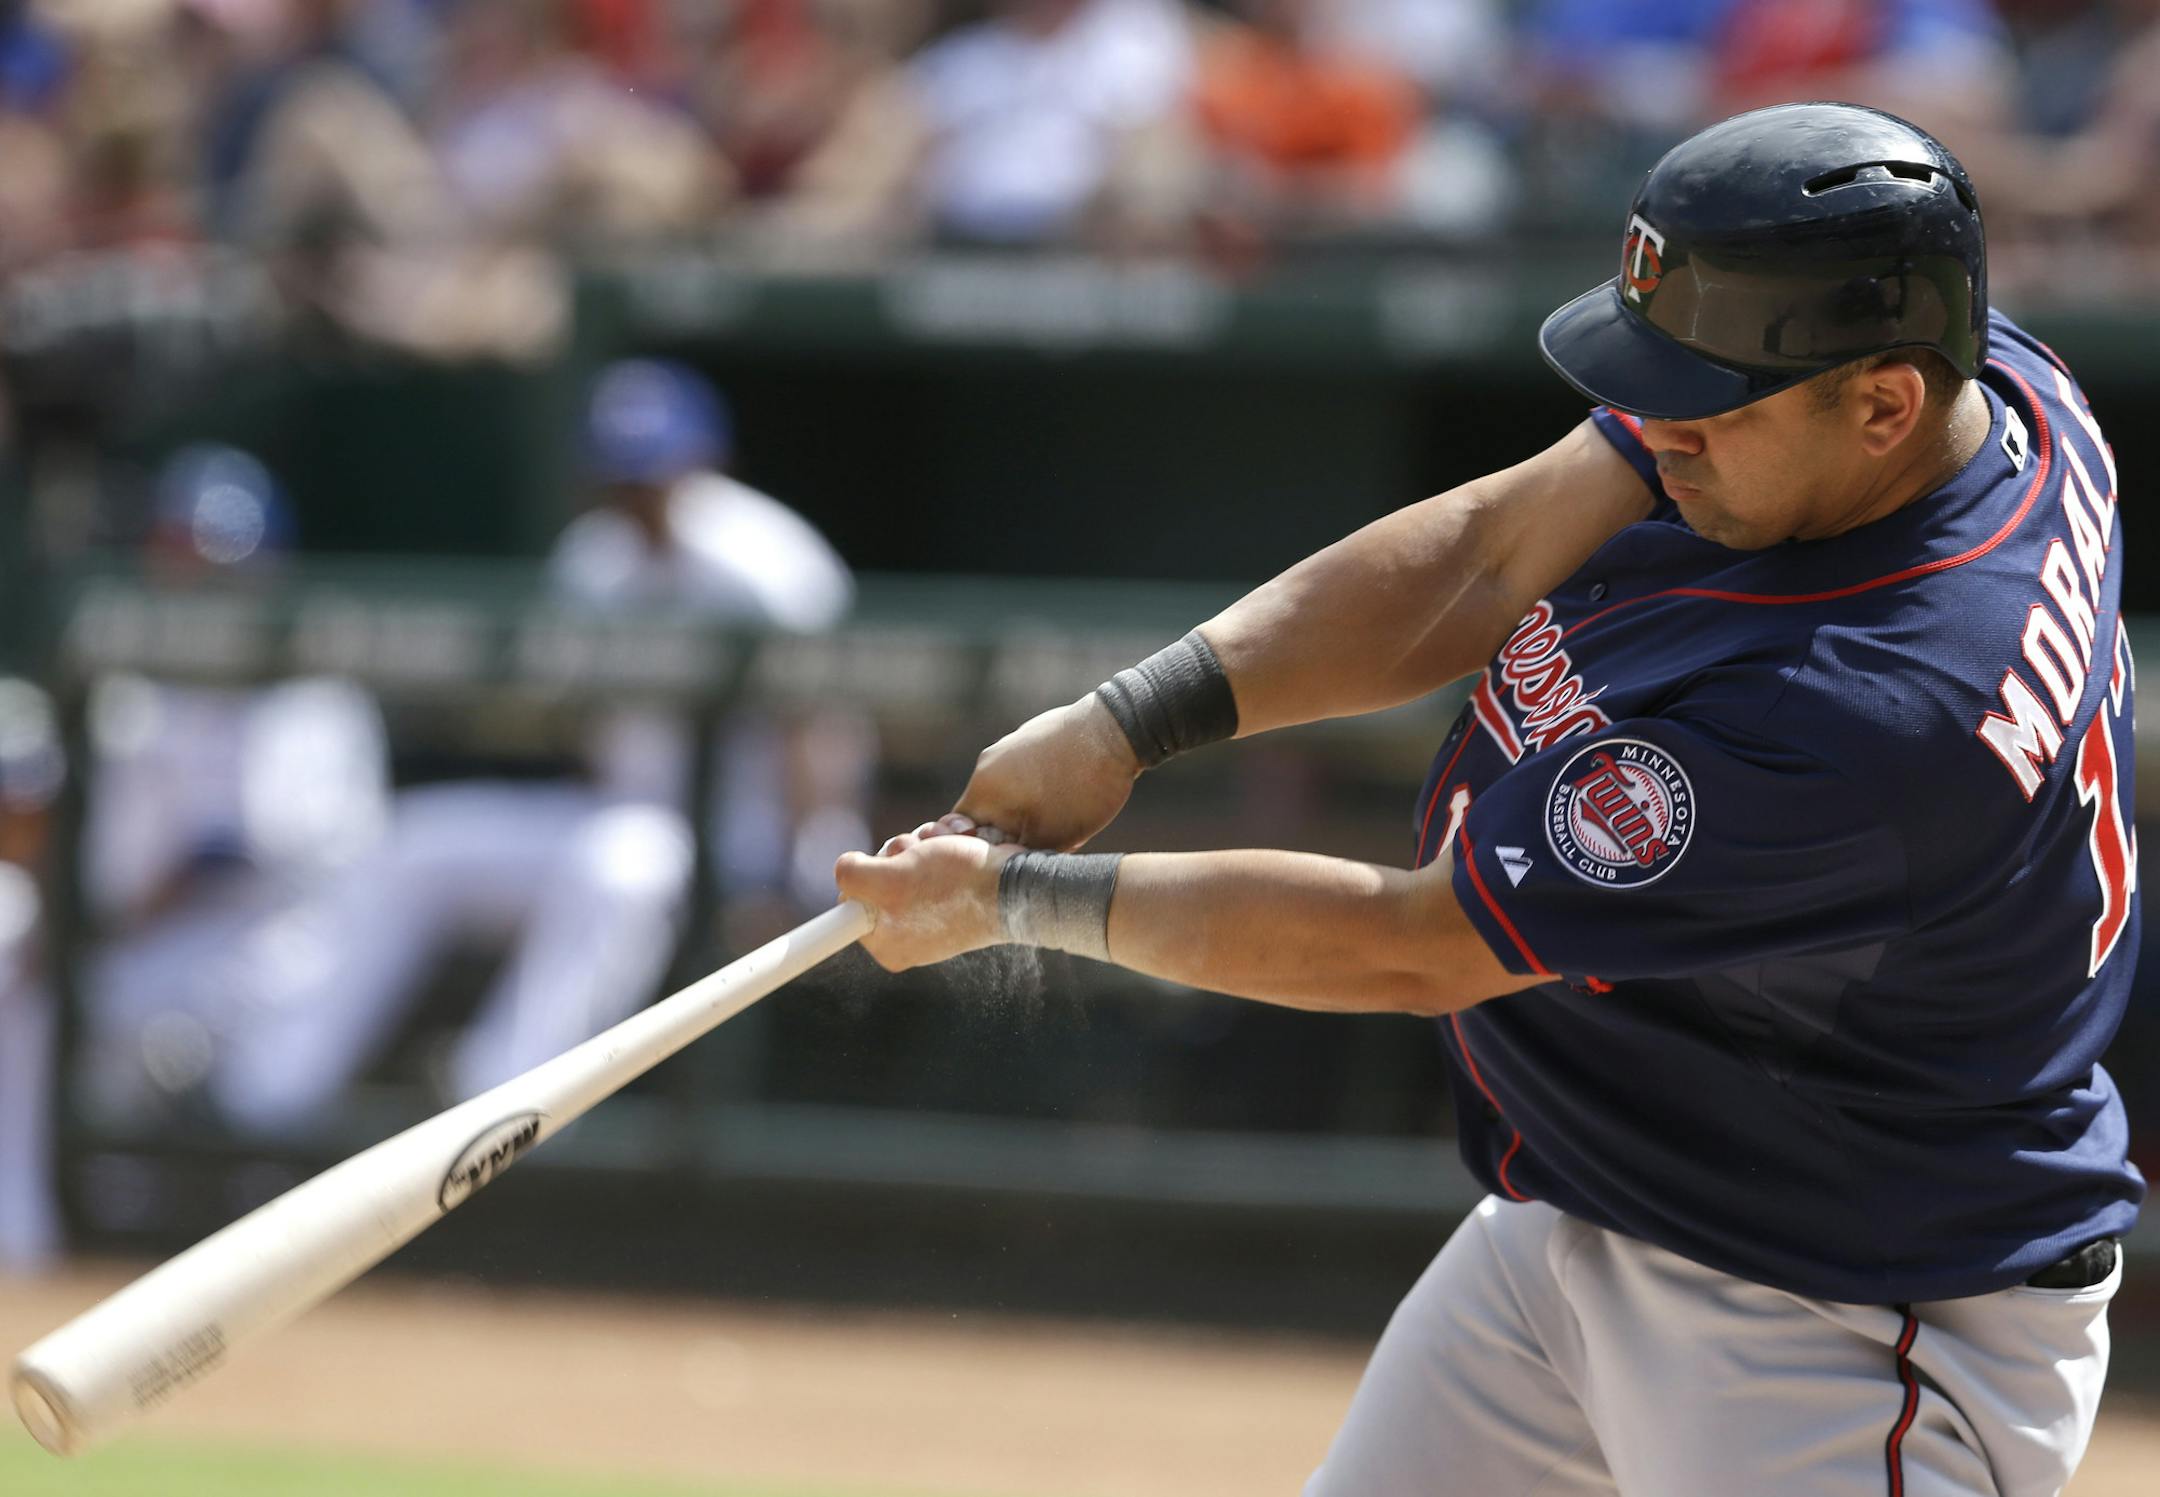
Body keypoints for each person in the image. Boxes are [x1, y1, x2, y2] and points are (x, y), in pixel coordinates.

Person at [833, 103, 2140, 1495]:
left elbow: (1411, 946)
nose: (1658, 430)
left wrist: (1014, 901)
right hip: (1616, 1192)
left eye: (1708, 402)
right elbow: (1489, 551)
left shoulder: (1871, 713)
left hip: (1844, 1311)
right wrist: (1121, 724)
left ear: (1883, 403)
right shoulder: (1981, 376)